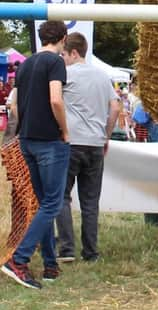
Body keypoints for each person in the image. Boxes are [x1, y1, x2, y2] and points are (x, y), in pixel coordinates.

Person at [1, 21, 70, 290]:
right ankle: (18, 260)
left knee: (43, 205)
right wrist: (65, 130)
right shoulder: (55, 62)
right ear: (63, 38)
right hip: (50, 141)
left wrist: (27, 123)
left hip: (27, 140)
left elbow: (14, 104)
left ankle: (50, 263)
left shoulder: (26, 64)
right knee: (52, 203)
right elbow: (56, 99)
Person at [55, 32, 120, 263]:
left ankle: (67, 249)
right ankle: (91, 252)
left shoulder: (65, 74)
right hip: (95, 143)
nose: (62, 58)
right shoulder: (103, 76)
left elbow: (55, 103)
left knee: (62, 197)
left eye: (64, 54)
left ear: (74, 52)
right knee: (90, 201)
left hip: (71, 141)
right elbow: (115, 107)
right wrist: (106, 136)